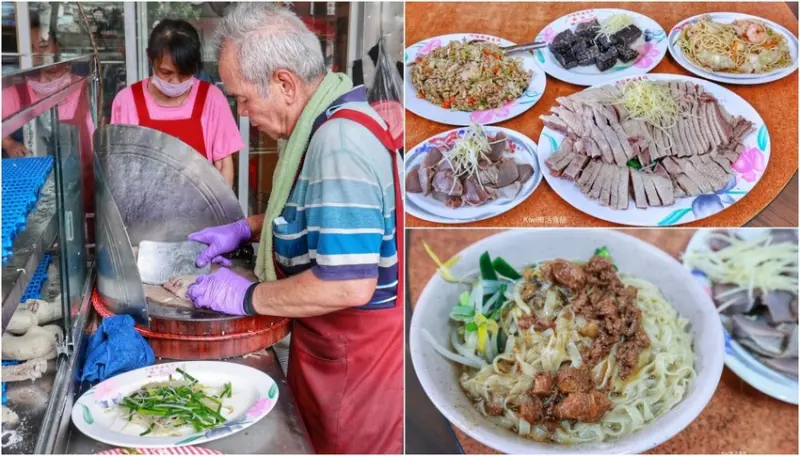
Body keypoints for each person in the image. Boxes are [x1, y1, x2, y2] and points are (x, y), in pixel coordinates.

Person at [183, 3, 403, 454]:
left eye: (243, 97)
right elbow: (324, 213)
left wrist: (244, 296)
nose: (242, 113)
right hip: (333, 359)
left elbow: (348, 285)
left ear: (284, 83)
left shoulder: (339, 142)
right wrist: (247, 228)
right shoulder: (331, 116)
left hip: (357, 378)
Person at [110, 19, 241, 187]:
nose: (175, 82)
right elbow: (120, 169)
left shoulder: (212, 99)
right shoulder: (127, 102)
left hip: (201, 211)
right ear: (150, 58)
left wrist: (222, 210)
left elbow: (224, 165)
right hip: (144, 210)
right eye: (166, 72)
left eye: (185, 74)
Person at [1, 11, 95, 214]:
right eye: (31, 49)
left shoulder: (83, 86)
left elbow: (96, 135)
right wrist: (8, 143)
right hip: (35, 200)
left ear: (58, 45)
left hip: (80, 191)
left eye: (43, 45)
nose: (39, 55)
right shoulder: (16, 91)